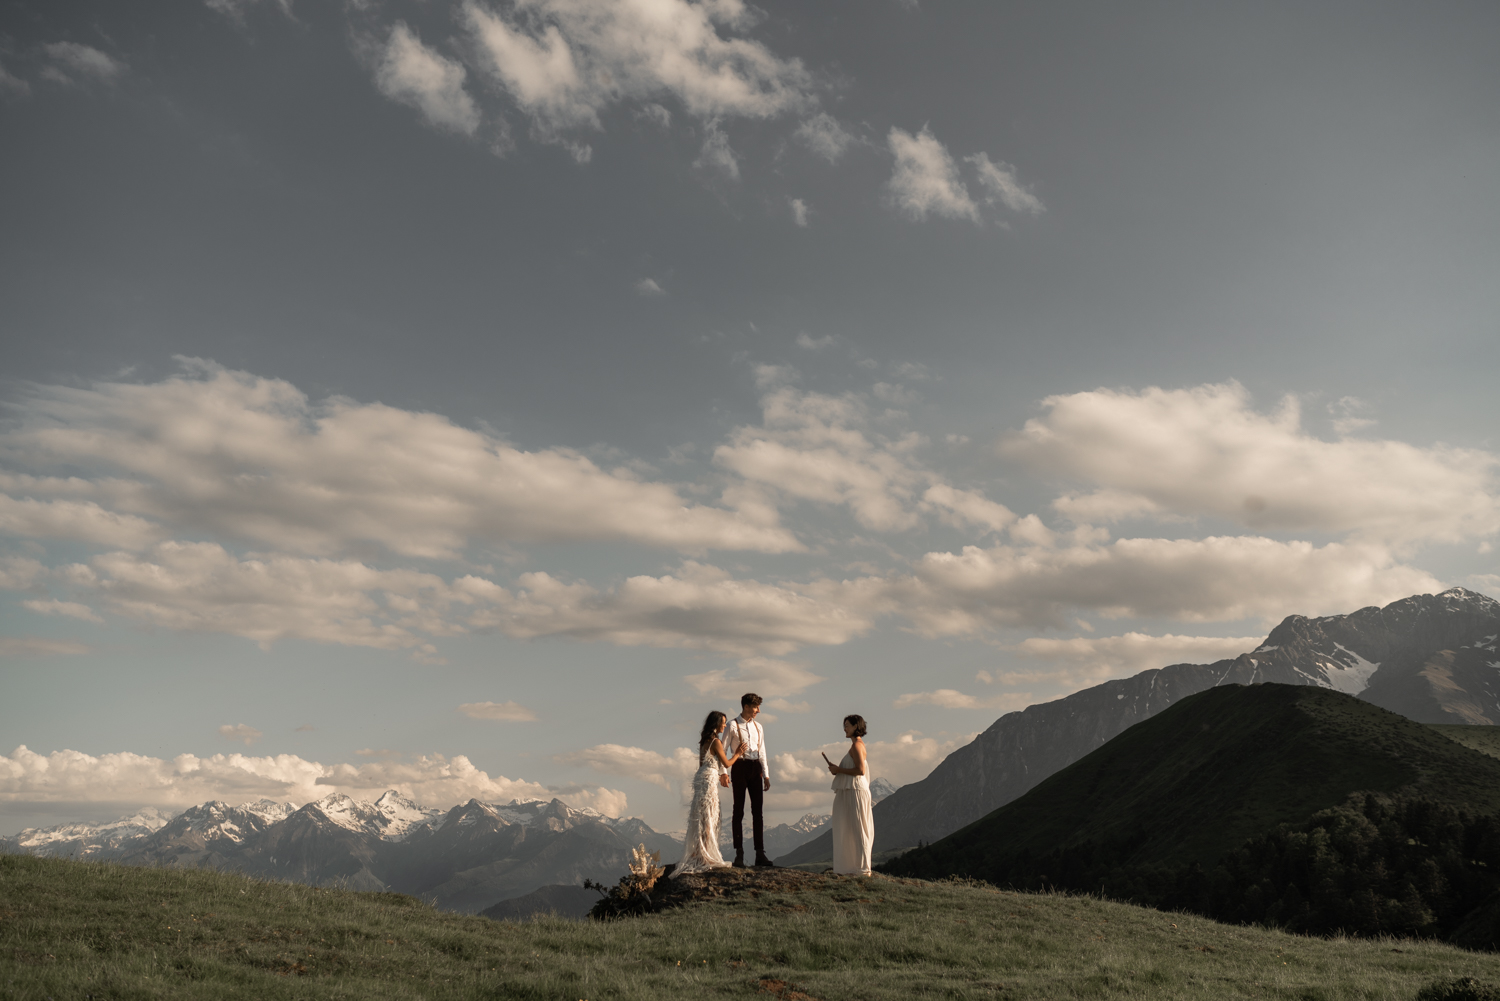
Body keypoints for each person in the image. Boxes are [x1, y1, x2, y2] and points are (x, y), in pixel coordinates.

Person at [674, 710, 743, 875]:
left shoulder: (704, 741)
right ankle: (704, 854)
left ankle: (699, 851)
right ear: (717, 723)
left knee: (701, 814)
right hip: (709, 778)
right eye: (723, 723)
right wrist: (738, 754)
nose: (725, 725)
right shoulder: (716, 742)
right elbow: (726, 762)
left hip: (701, 777)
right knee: (709, 816)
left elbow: (701, 763)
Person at [723, 692, 774, 867]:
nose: (758, 711)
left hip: (756, 768)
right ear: (746, 707)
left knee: (757, 812)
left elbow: (763, 751)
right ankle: (739, 854)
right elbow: (722, 750)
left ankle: (760, 853)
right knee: (738, 810)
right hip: (739, 766)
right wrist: (723, 772)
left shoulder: (759, 727)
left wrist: (766, 774)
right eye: (755, 707)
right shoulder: (732, 725)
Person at [825, 714, 873, 876]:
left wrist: (839, 770)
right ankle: (855, 867)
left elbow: (860, 770)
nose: (844, 728)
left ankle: (863, 869)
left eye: (847, 725)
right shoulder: (855, 746)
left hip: (855, 791)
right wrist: (838, 771)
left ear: (855, 726)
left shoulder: (857, 746)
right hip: (853, 790)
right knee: (853, 828)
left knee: (858, 828)